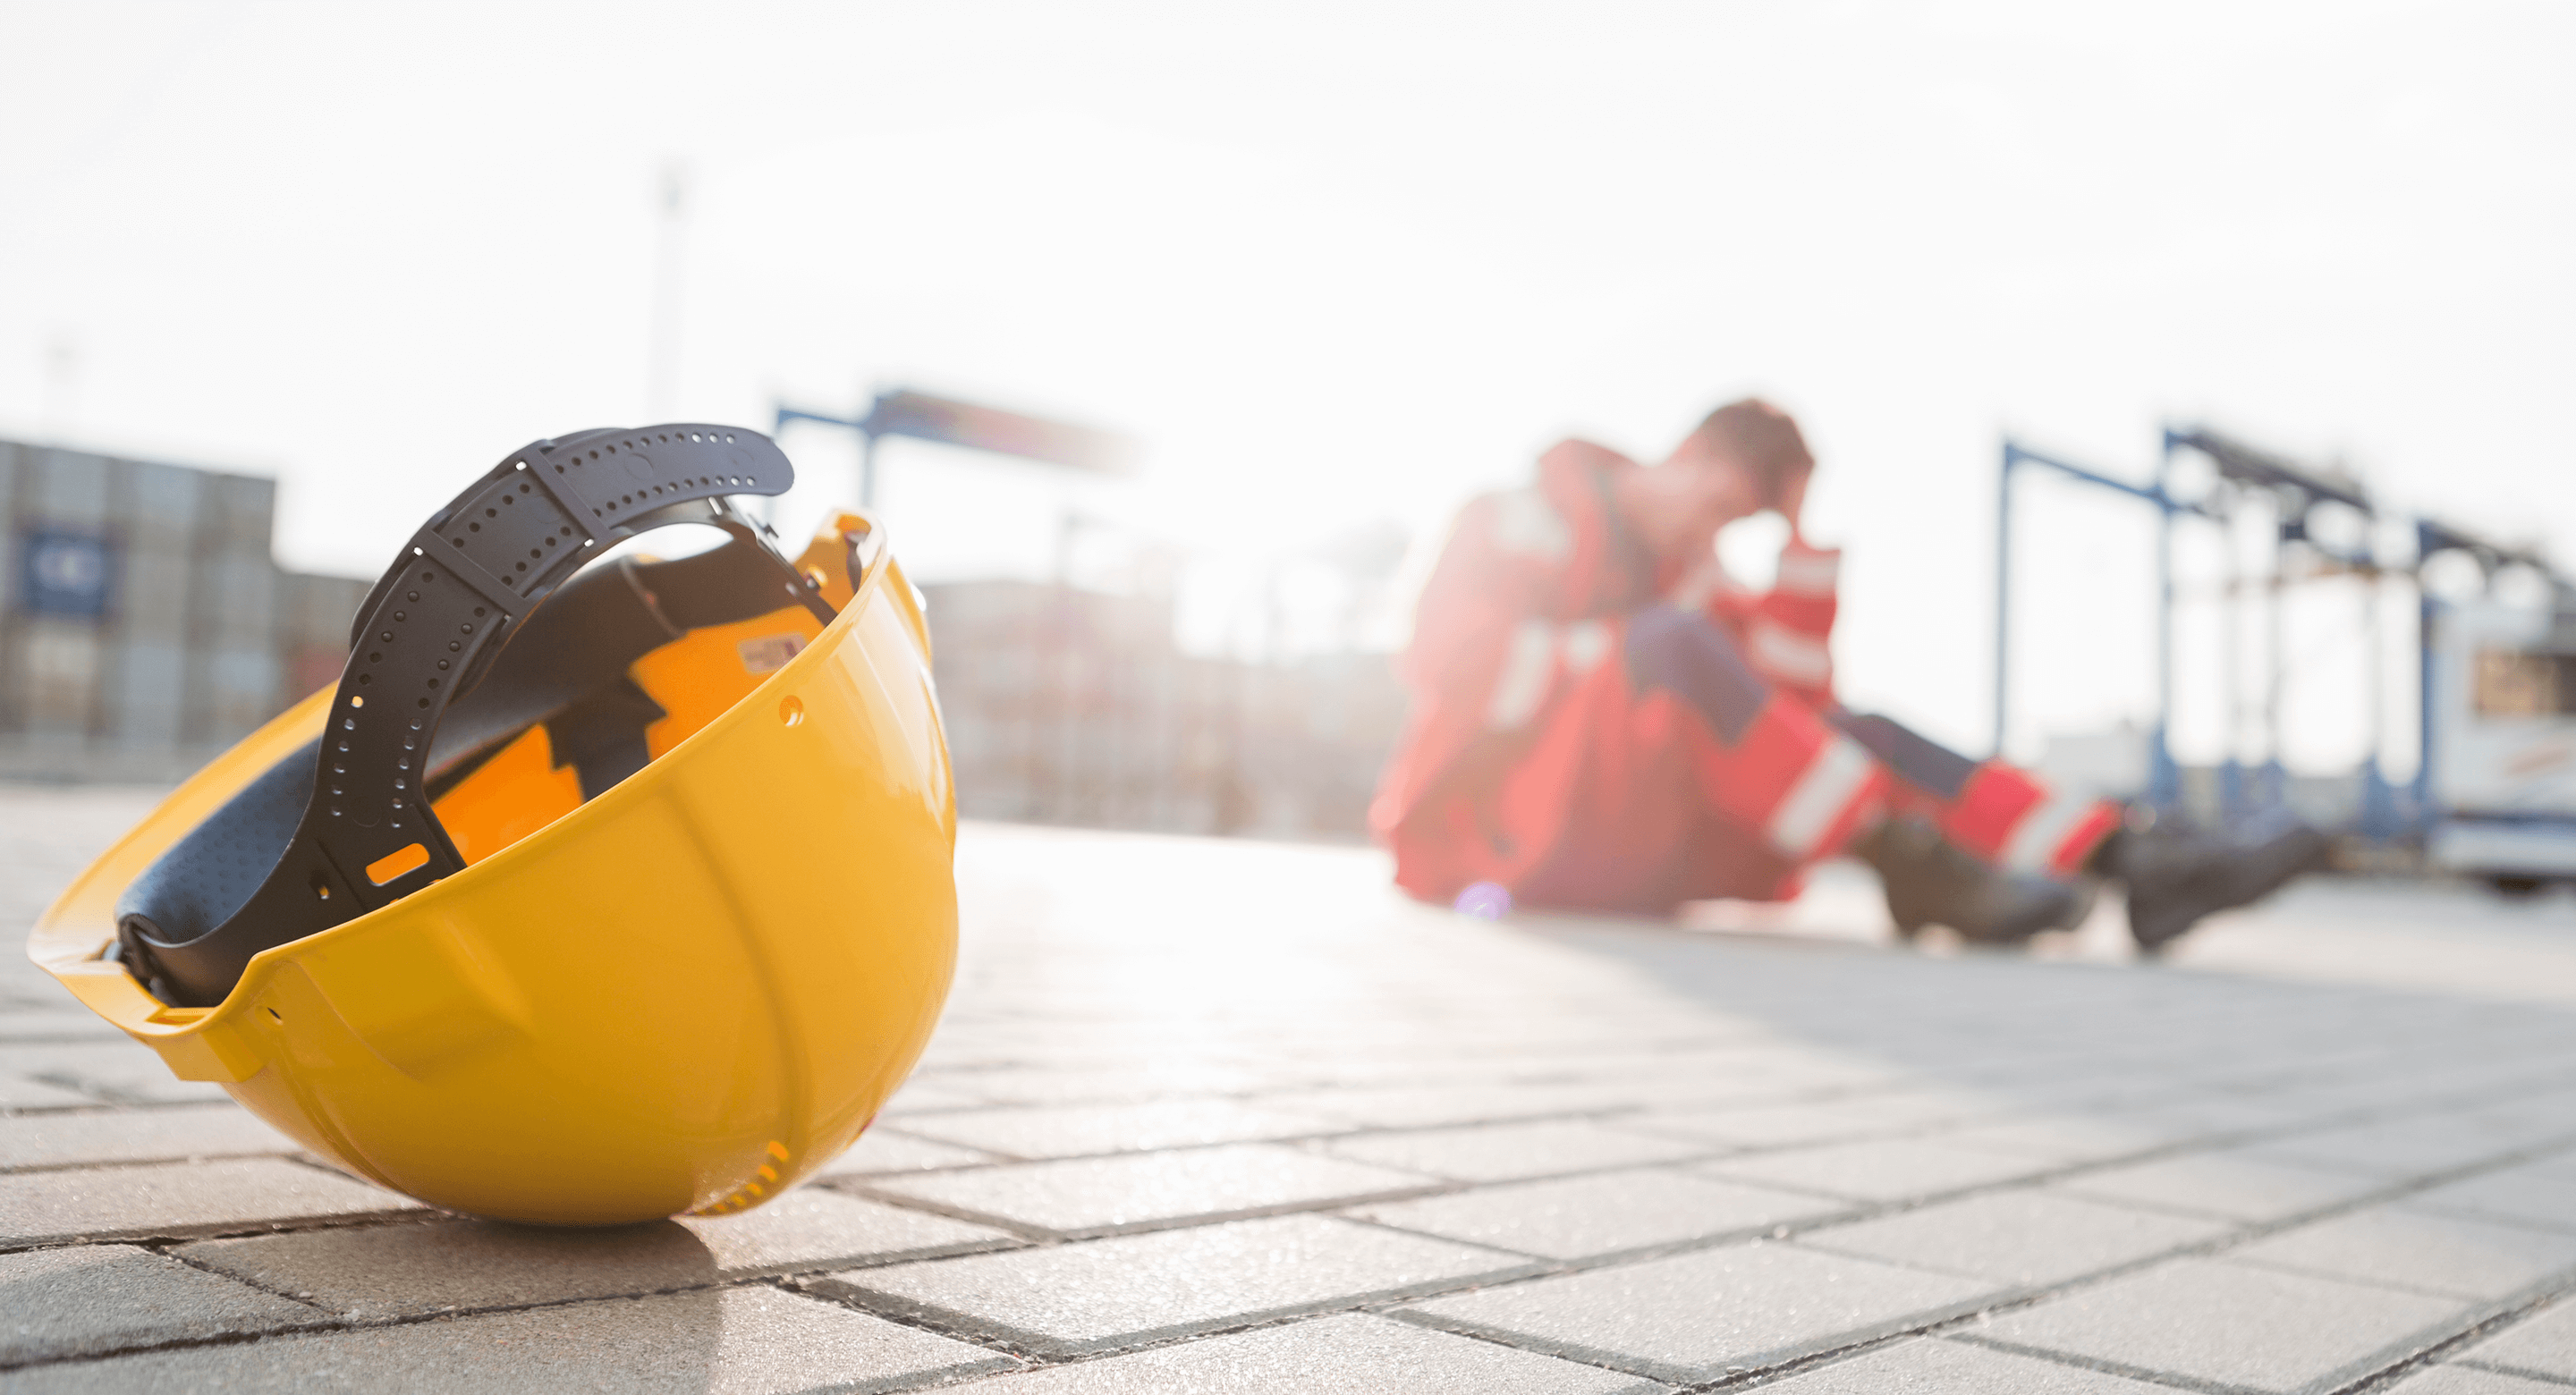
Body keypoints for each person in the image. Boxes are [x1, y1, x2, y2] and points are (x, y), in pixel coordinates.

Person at [1370, 398, 2327, 952]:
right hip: (1491, 834)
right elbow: (1443, 665)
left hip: (1629, 837)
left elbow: (1799, 712)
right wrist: (1616, 661)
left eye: (1739, 524)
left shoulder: (1687, 580)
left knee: (1854, 731)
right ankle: (1902, 860)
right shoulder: (1515, 516)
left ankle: (2132, 864)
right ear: (1685, 452)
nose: (1714, 533)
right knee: (1672, 647)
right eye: (1714, 502)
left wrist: (1797, 540)